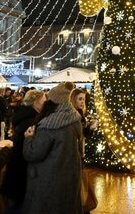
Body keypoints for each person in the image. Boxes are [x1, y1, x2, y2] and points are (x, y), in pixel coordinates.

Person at [23, 83, 83, 214]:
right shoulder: (75, 119)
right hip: (70, 178)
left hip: (49, 182)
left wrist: (28, 139)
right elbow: (80, 150)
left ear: (53, 102)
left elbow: (33, 153)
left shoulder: (49, 125)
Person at [0, 90, 44, 214]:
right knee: (21, 206)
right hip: (23, 168)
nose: (45, 104)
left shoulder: (23, 116)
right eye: (43, 101)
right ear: (35, 102)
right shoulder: (32, 121)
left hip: (16, 166)